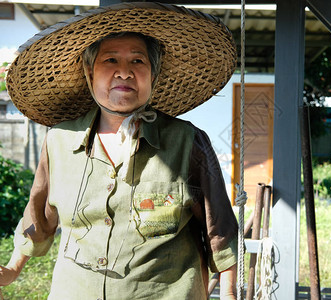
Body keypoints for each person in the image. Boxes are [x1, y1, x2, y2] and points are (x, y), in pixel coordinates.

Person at [1, 3, 238, 299]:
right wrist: (12, 268)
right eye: (110, 60)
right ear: (90, 72)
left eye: (138, 61)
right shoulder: (59, 141)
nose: (124, 72)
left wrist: (229, 295)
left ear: (154, 73)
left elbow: (220, 233)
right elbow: (39, 219)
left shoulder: (188, 142)